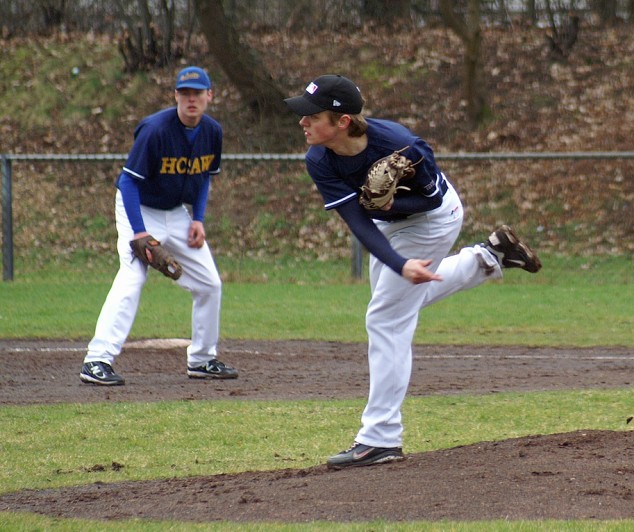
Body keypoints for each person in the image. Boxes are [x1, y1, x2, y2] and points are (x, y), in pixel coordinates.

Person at [284, 74, 541, 468]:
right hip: (388, 226)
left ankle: (381, 437)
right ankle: (488, 257)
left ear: (343, 121)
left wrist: (391, 209)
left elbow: (431, 200)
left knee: (386, 318)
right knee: (399, 302)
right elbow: (359, 223)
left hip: (433, 220)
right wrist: (398, 261)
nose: (302, 122)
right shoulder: (319, 159)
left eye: (312, 116)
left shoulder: (400, 145)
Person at [80, 66, 238, 386]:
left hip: (176, 213)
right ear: (176, 95)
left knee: (209, 283)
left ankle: (202, 359)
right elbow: (128, 182)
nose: (191, 99)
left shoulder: (212, 132)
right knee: (133, 277)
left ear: (209, 96)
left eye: (197, 93)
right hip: (138, 208)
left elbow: (204, 177)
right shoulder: (155, 129)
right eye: (185, 93)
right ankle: (97, 360)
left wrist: (198, 219)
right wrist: (139, 232)